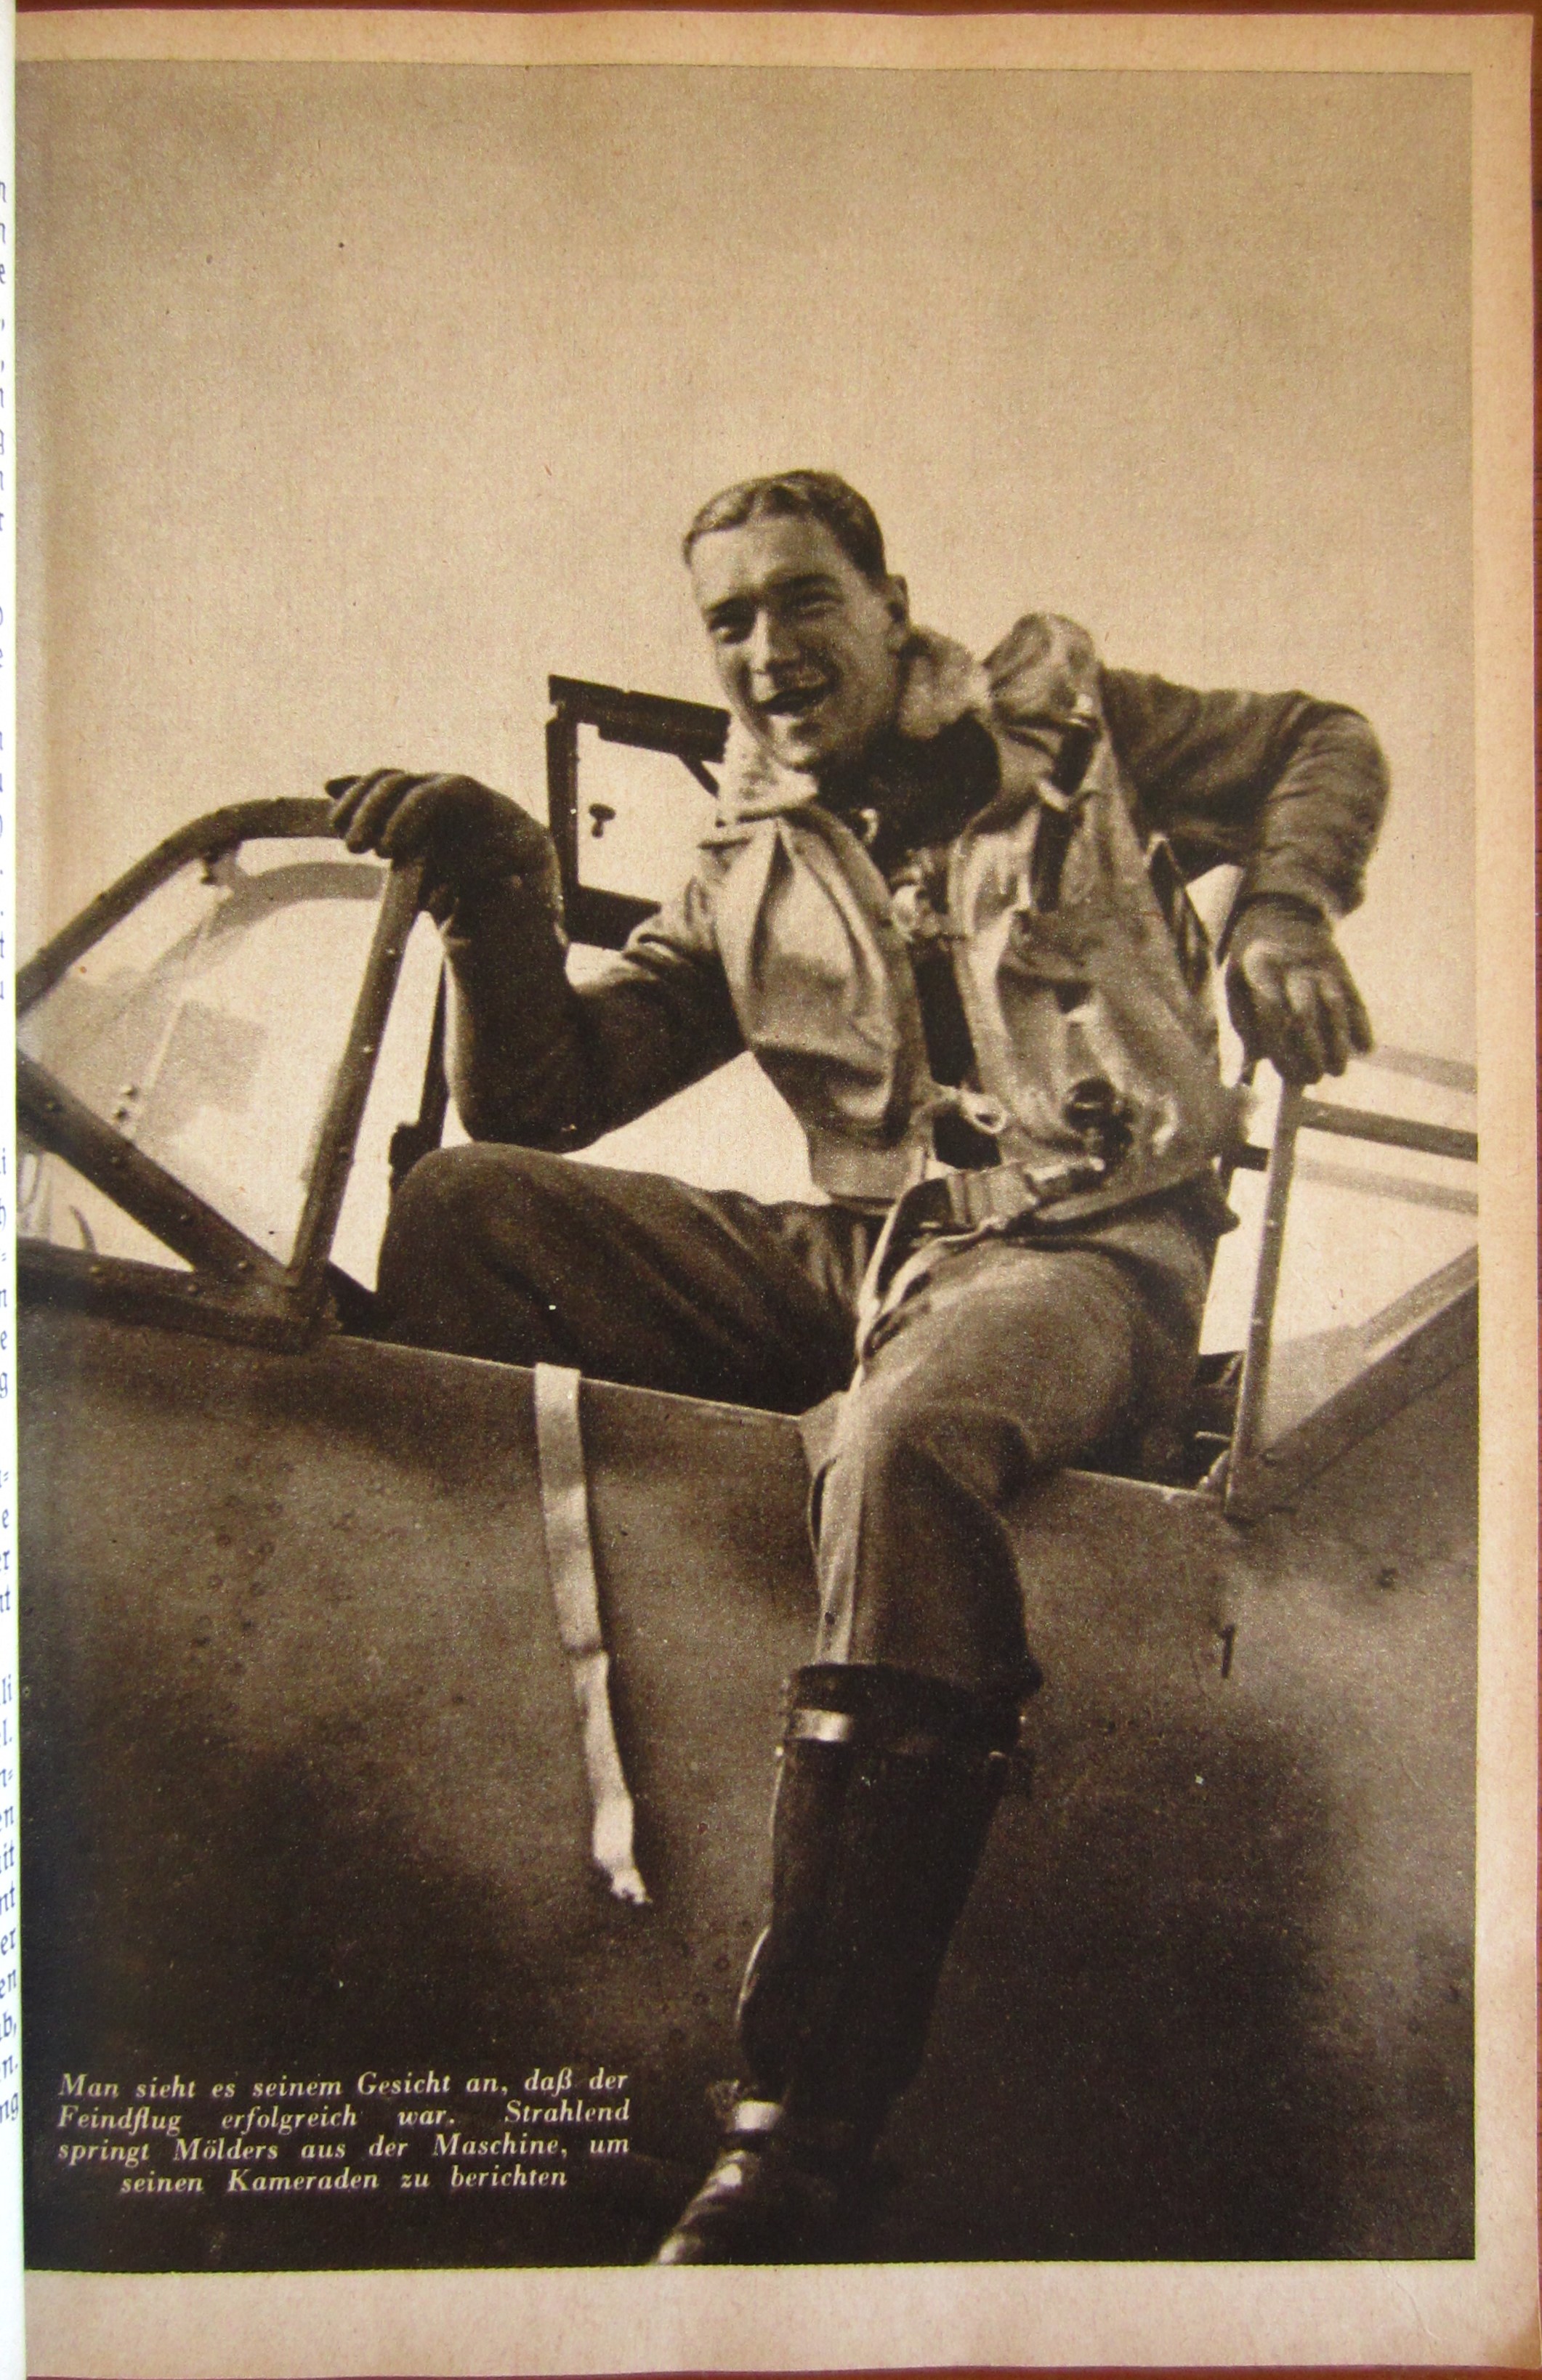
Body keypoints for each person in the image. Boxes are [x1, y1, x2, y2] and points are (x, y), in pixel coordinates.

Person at [328, 470, 1386, 2263]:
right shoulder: (744, 862)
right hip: (870, 1260)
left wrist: (1284, 909)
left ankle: (805, 2126)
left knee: (897, 1445)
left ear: (891, 607)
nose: (767, 649)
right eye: (727, 621)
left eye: (802, 601)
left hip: (1090, 1260)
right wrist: (495, 887)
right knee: (463, 1214)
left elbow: (1318, 738)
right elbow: (546, 1102)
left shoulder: (1075, 732)